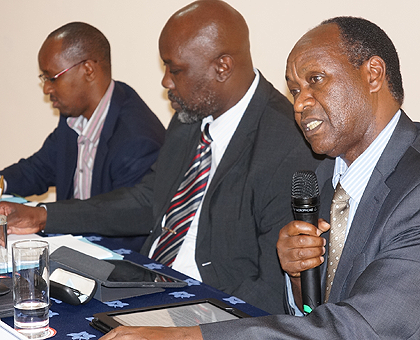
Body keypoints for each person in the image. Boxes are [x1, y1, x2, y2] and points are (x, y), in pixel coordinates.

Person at [94, 15, 420, 340]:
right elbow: (315, 312)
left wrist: (186, 336)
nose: (300, 103)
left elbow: (362, 327)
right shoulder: (321, 178)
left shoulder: (414, 187)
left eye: (315, 80)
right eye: (294, 90)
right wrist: (297, 279)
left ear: (373, 74)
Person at [0, 0, 321, 314]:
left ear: (222, 67)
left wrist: (184, 329)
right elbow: (149, 199)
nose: (165, 81)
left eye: (175, 69)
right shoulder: (190, 118)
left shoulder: (286, 143)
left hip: (210, 306)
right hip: (149, 280)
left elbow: (271, 290)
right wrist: (43, 215)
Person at [0, 22, 165, 201]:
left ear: (88, 70)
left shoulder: (137, 140)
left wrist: (42, 217)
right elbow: (39, 169)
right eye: (44, 79)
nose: (46, 88)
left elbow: (118, 218)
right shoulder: (73, 116)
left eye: (52, 78)